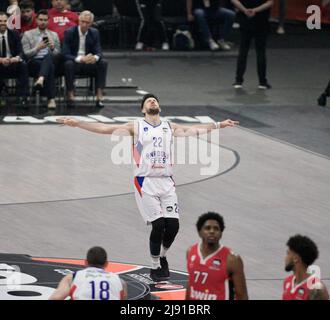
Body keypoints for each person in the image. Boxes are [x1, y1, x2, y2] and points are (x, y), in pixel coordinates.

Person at [56, 93, 239, 282]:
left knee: (173, 226)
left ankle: (162, 256)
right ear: (143, 109)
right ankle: (154, 266)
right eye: (148, 101)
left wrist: (219, 125)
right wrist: (77, 123)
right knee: (158, 225)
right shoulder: (136, 127)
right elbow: (104, 128)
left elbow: (194, 129)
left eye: (155, 100)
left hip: (166, 181)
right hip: (145, 181)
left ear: (159, 107)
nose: (152, 101)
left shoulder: (169, 127)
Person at [186, 212, 248, 300]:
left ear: (221, 233)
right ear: (200, 232)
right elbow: (190, 285)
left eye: (216, 229)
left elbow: (242, 296)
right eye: (207, 228)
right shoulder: (190, 252)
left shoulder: (232, 260)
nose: (212, 231)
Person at [62, 10, 108, 108]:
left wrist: (94, 58)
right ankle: (70, 95)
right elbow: (65, 53)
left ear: (91, 23)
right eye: (82, 21)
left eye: (87, 23)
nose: (84, 24)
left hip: (89, 63)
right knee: (68, 64)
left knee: (103, 62)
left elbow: (99, 51)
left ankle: (99, 96)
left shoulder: (94, 32)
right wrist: (80, 59)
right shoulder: (70, 32)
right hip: (75, 62)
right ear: (78, 21)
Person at [49, 246, 127, 300]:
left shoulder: (73, 277)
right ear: (106, 264)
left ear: (85, 262)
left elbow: (55, 298)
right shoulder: (120, 281)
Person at [22, 9, 61, 109]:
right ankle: (51, 99)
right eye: (40, 19)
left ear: (48, 21)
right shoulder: (28, 34)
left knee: (49, 59)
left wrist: (52, 48)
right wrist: (37, 48)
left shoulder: (54, 35)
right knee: (49, 67)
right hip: (34, 62)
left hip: (50, 61)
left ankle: (41, 79)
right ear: (36, 20)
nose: (43, 22)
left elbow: (58, 54)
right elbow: (25, 54)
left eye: (45, 20)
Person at [231, 0, 273, 90]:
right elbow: (269, 2)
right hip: (261, 19)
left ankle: (238, 81)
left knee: (243, 50)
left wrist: (245, 10)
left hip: (245, 18)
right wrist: (255, 10)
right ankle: (262, 82)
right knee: (260, 51)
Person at [283, 234, 329, 300]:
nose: (285, 258)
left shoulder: (316, 289)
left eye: (288, 254)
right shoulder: (287, 281)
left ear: (296, 259)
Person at [0, 11, 29, 105]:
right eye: (0, 21)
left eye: (5, 21)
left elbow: (21, 52)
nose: (2, 23)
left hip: (12, 63)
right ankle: (2, 93)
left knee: (23, 65)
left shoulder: (14, 34)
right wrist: (1, 60)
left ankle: (23, 97)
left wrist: (15, 58)